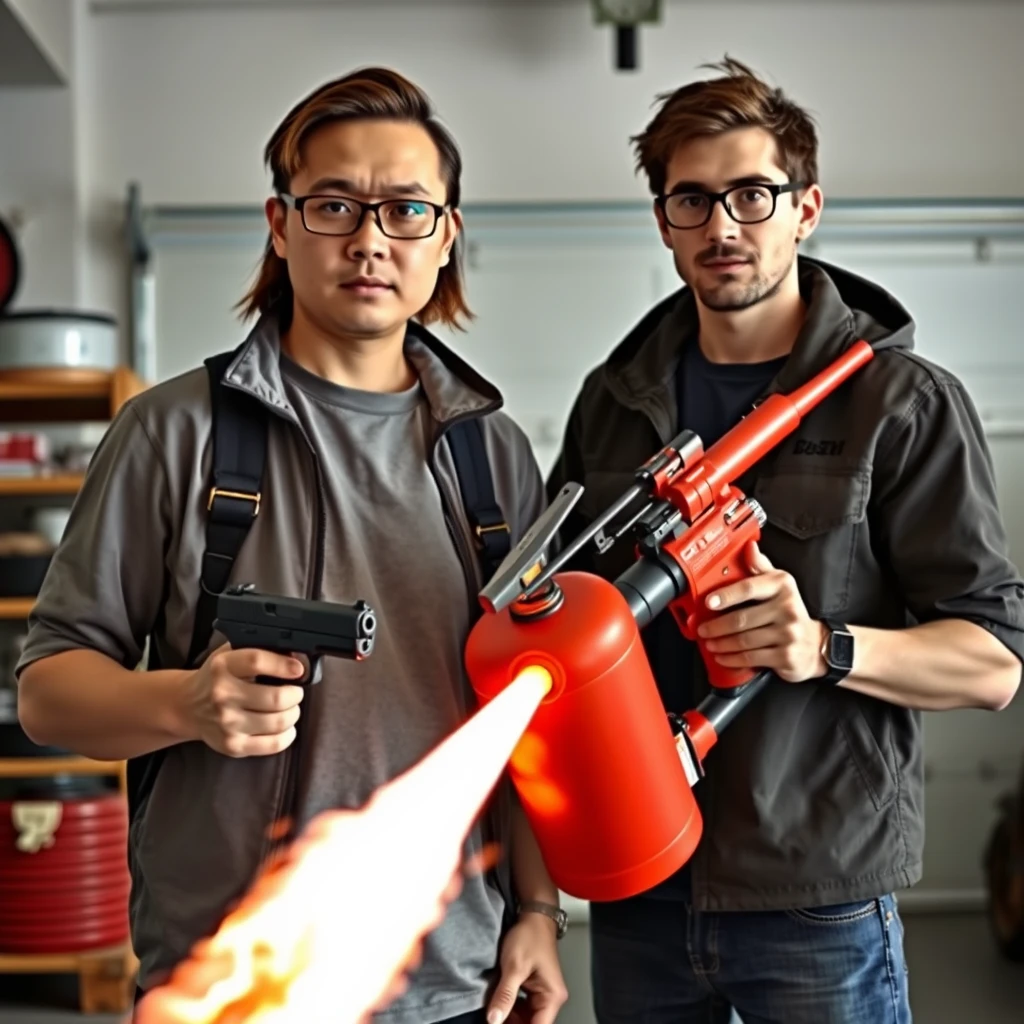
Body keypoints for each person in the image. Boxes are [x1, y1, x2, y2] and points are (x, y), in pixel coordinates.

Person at [16, 67, 568, 1024]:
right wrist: (184, 702)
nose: (367, 239)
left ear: (446, 237)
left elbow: (527, 715)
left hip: (451, 986)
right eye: (332, 205)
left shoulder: (493, 456)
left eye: (404, 209)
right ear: (280, 225)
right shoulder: (172, 433)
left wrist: (538, 909)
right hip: (229, 986)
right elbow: (48, 694)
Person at [545, 56, 1024, 1024]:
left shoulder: (902, 402)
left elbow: (992, 663)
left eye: (751, 194)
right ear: (662, 220)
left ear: (805, 208)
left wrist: (823, 647)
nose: (722, 226)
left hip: (817, 898)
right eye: (691, 199)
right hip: (636, 882)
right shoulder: (613, 401)